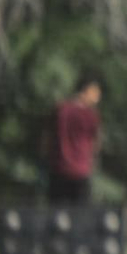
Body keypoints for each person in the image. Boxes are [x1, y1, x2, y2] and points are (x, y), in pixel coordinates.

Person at [47, 75, 102, 205]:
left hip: (58, 169)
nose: (98, 97)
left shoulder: (60, 109)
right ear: (86, 90)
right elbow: (96, 144)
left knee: (56, 215)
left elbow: (48, 138)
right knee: (79, 217)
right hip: (81, 171)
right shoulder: (91, 115)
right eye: (96, 92)